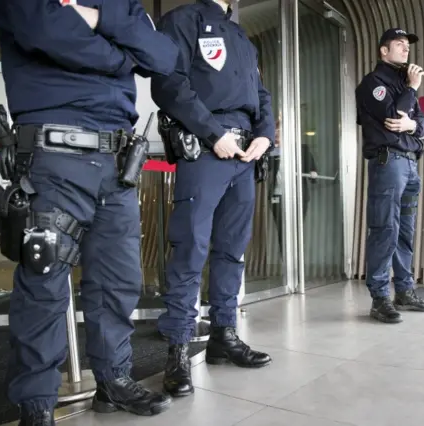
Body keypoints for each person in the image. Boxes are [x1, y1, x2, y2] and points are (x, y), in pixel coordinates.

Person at [0, 1, 179, 424]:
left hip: (118, 162)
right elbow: (44, 33)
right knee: (44, 281)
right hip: (53, 157)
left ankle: (113, 380)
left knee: (117, 281)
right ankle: (36, 401)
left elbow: (162, 56)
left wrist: (97, 19)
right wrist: (122, 53)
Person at [150, 0, 276, 398]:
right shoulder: (182, 20)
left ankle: (224, 334)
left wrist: (265, 134)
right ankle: (178, 350)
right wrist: (211, 133)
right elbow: (168, 83)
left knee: (232, 251)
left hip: (245, 155)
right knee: (190, 249)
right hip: (207, 149)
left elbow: (261, 94)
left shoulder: (239, 34)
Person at [355, 28, 424, 324]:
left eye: (407, 46)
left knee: (405, 231)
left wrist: (412, 126)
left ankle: (404, 291)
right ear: (383, 51)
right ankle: (379, 298)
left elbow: (423, 123)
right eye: (399, 45)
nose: (406, 50)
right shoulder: (373, 83)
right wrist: (412, 90)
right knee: (384, 228)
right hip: (388, 162)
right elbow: (393, 119)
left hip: (410, 164)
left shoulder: (403, 85)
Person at [268, 117, 318, 257]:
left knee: (296, 229)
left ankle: (296, 263)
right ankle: (286, 261)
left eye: (280, 132)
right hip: (277, 195)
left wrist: (313, 173)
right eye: (275, 132)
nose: (277, 134)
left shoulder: (302, 149)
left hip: (299, 196)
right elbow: (265, 171)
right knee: (282, 230)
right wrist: (274, 150)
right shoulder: (271, 151)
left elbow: (312, 169)